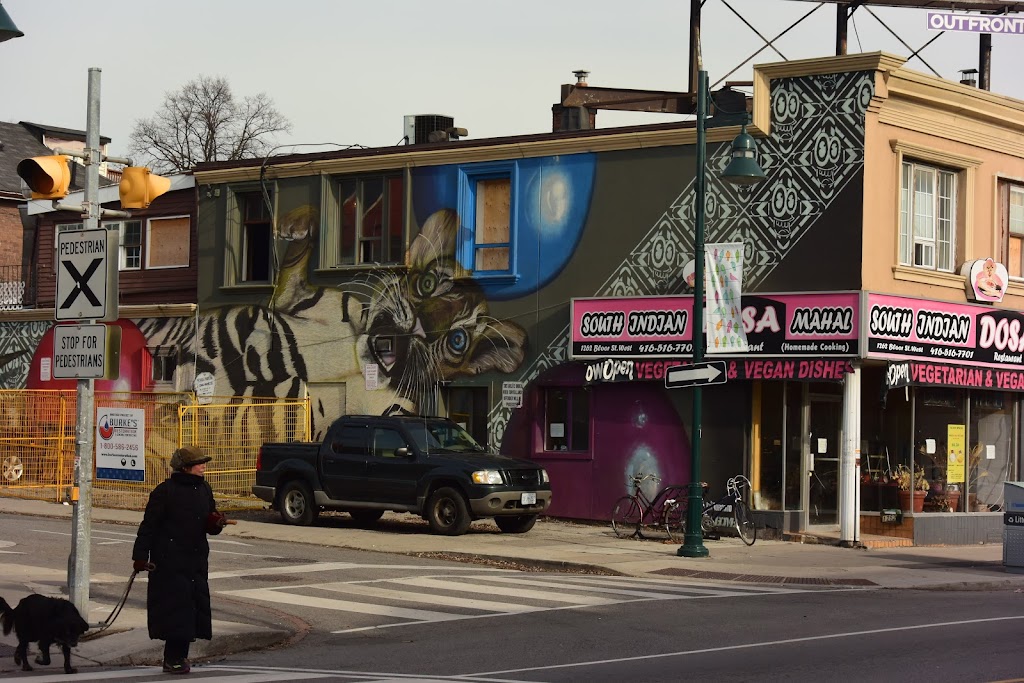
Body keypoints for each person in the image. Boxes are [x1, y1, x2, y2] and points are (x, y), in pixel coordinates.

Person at [131, 445, 230, 674]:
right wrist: (139, 557)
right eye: (199, 463)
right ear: (185, 467)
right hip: (169, 562)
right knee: (176, 611)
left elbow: (208, 520)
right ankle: (172, 659)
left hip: (195, 560)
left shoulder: (204, 488)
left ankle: (180, 657)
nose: (203, 466)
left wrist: (216, 523)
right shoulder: (164, 491)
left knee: (192, 610)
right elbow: (148, 527)